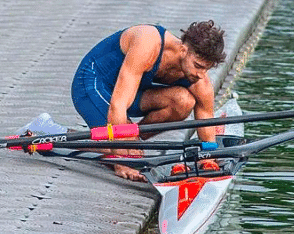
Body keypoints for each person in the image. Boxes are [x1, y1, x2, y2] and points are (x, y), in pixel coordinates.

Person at [71, 20, 226, 181]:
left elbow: (206, 119)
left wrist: (209, 159)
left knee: (183, 101)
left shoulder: (199, 79)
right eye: (198, 66)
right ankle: (63, 136)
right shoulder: (148, 43)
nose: (201, 74)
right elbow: (118, 105)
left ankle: (131, 141)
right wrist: (121, 161)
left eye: (206, 69)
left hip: (128, 92)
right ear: (183, 50)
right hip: (91, 85)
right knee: (128, 153)